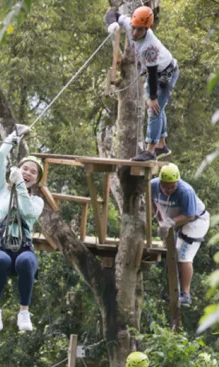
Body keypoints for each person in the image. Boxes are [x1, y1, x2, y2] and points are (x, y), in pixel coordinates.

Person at [0, 126, 44, 332]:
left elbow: (27, 213)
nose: (28, 173)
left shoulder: (37, 201)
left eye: (33, 172)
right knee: (1, 260)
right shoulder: (0, 190)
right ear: (18, 168)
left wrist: (20, 183)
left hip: (23, 248)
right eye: (25, 169)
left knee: (27, 261)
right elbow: (1, 157)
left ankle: (24, 312)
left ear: (36, 179)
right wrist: (14, 137)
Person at [105, 6, 179, 161]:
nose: (134, 33)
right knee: (158, 108)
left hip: (165, 74)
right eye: (133, 28)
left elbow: (152, 75)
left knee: (154, 109)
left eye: (139, 30)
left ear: (148, 28)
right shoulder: (129, 23)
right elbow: (112, 13)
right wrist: (112, 23)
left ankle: (150, 151)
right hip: (154, 72)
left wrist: (152, 97)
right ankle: (161, 145)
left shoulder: (149, 46)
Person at [151, 163, 210, 307]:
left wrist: (170, 222)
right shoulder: (152, 185)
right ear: (160, 182)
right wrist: (161, 222)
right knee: (171, 253)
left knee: (183, 255)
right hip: (176, 223)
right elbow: (151, 202)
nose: (168, 190)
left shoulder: (185, 191)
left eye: (172, 187)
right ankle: (173, 291)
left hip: (196, 222)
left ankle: (185, 295)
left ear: (177, 181)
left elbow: (189, 215)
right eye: (165, 186)